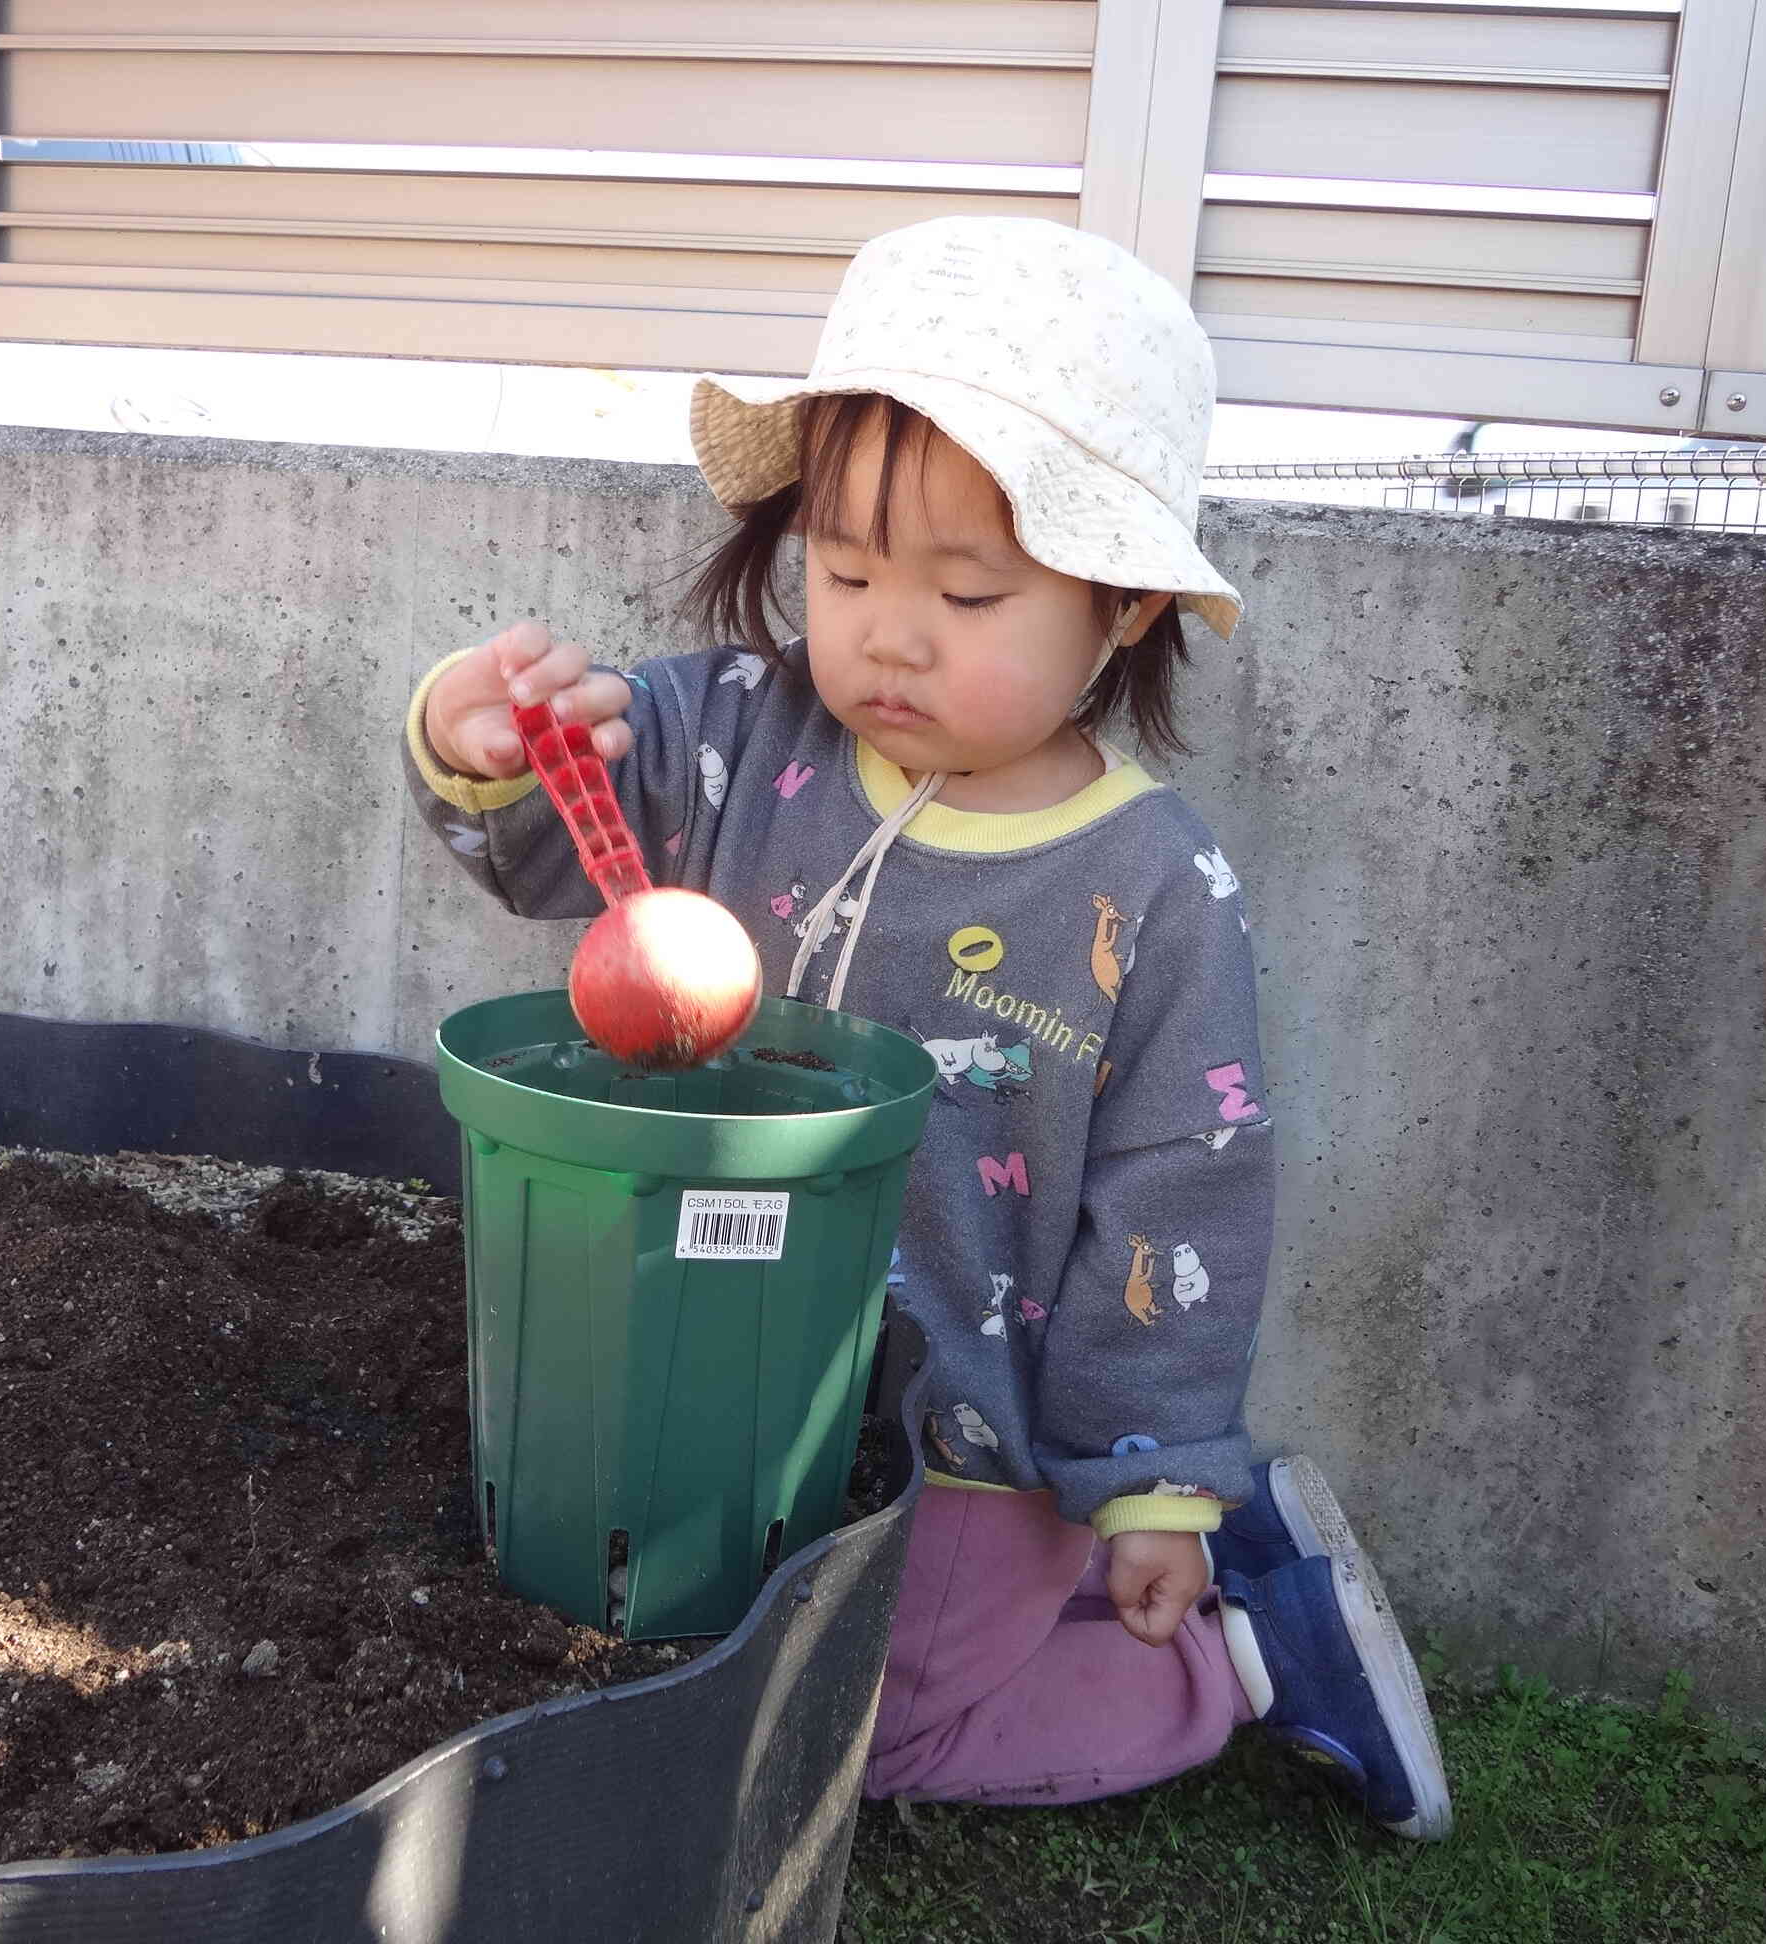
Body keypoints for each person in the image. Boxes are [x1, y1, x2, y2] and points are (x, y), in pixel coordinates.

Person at [401, 216, 1452, 1838]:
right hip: (704, 1357)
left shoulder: (1153, 892)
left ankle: (1239, 1654)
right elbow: (571, 858)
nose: (890, 631)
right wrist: (485, 743)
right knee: (657, 1641)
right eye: (845, 569)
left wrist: (1153, 1478)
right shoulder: (743, 736)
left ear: (1116, 614)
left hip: (955, 1434)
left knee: (856, 1733)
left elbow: (1177, 1205)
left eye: (969, 589)